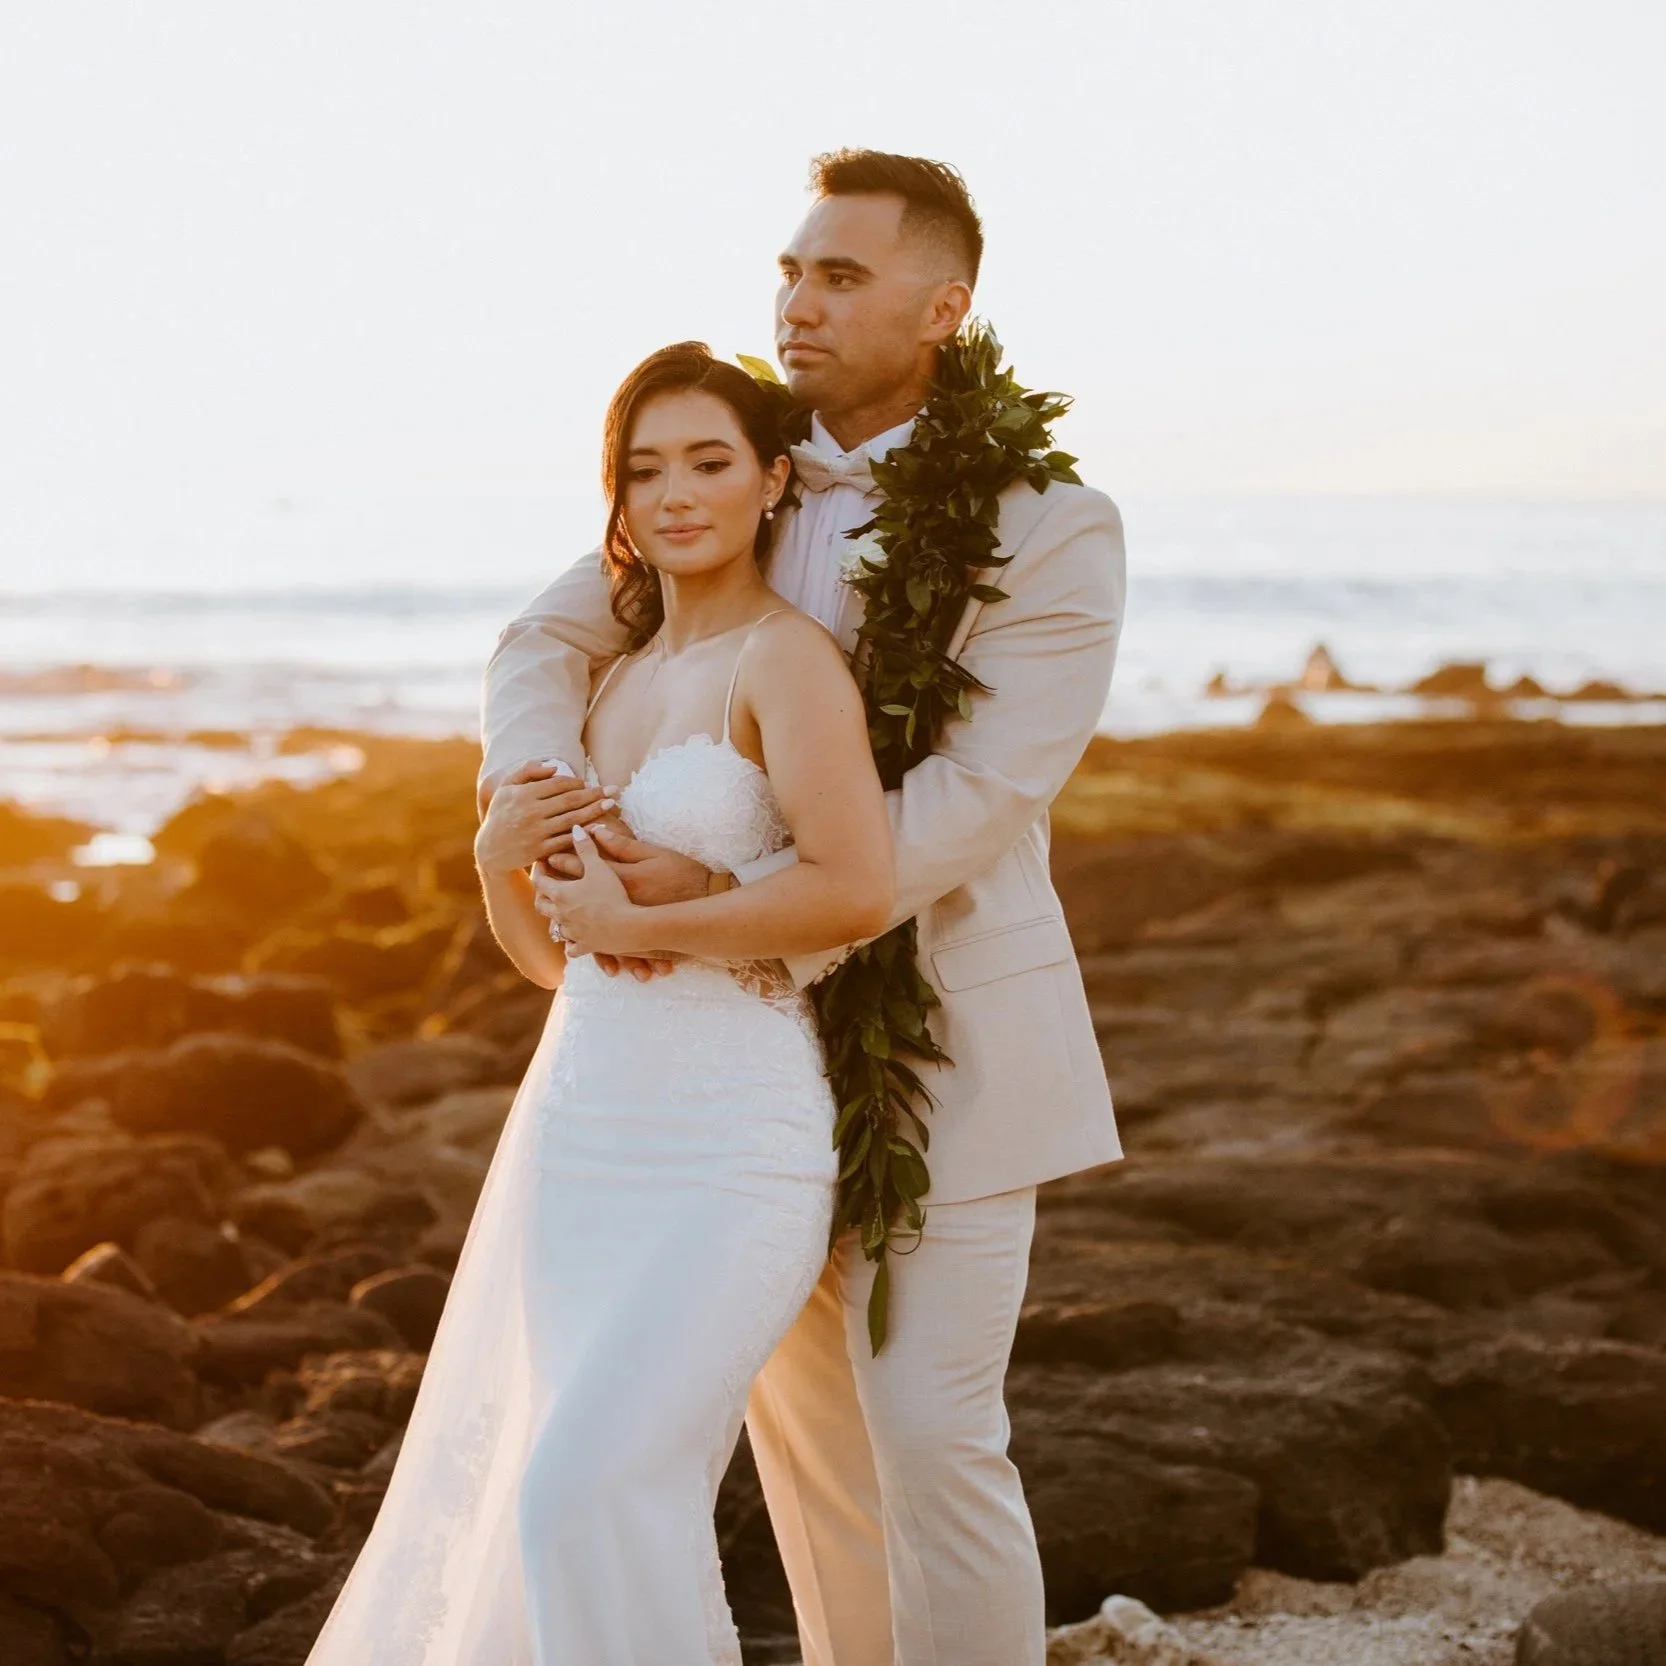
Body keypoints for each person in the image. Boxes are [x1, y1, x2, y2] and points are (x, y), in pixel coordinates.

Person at [480, 151, 1127, 1666]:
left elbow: (982, 791)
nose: (797, 304)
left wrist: (741, 900)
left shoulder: (1050, 523)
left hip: (944, 1032)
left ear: (942, 308)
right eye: (789, 271)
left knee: (932, 1434)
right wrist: (550, 807)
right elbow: (543, 642)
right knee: (816, 1462)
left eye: (840, 276)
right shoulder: (738, 466)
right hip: (728, 1067)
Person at [302, 342, 894, 1665]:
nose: (674, 495)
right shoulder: (609, 683)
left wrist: (655, 919)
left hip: (731, 1142)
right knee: (563, 1495)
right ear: (614, 497)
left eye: (707, 462)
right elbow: (556, 959)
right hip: (582, 1134)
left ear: (772, 480)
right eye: (643, 470)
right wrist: (493, 860)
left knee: (586, 1484)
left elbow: (854, 887)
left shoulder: (786, 663)